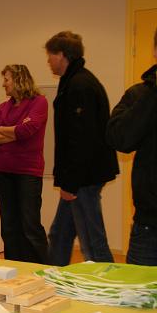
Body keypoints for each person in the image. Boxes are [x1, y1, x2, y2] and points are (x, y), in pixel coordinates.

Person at [44, 31, 119, 266]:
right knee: (59, 235)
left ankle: (106, 283)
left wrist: (70, 184)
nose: (48, 61)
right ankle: (54, 278)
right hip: (79, 177)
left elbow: (81, 140)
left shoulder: (80, 85)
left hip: (83, 179)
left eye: (50, 55)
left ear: (62, 55)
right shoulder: (73, 81)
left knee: (93, 245)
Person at [106, 16, 157, 266]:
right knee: (138, 291)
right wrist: (156, 94)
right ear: (154, 53)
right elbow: (120, 139)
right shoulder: (139, 95)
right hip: (148, 229)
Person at [0, 65, 48, 263]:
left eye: (7, 80)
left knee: (30, 225)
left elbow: (28, 130)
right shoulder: (3, 107)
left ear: (19, 80)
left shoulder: (39, 102)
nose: (3, 84)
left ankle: (41, 268)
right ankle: (14, 268)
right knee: (9, 227)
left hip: (28, 172)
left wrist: (3, 130)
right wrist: (14, 132)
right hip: (3, 171)